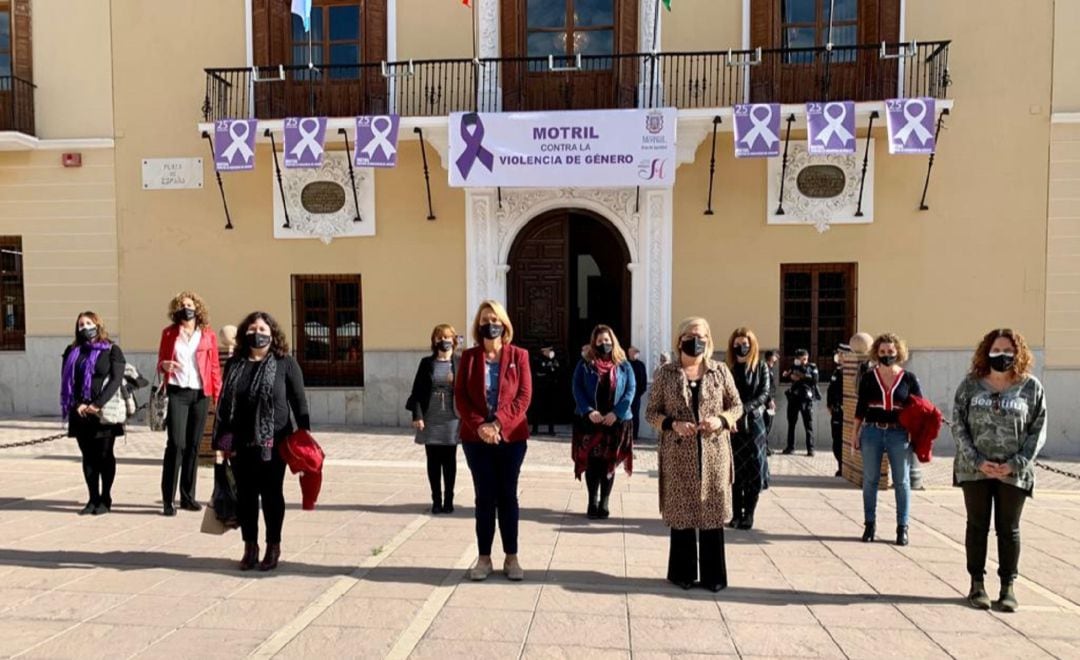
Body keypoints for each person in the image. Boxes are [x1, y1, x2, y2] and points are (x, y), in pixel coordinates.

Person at [953, 329, 1046, 613]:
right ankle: (977, 584)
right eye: (996, 350)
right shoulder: (970, 385)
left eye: (1008, 351)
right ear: (986, 351)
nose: (1002, 355)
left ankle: (1008, 587)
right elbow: (958, 425)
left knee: (1009, 529)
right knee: (977, 526)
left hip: (1013, 473)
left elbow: (1038, 429)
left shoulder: (1030, 387)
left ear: (1018, 354)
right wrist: (977, 460)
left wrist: (1015, 463)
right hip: (975, 470)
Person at [646, 317, 743, 591]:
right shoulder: (666, 373)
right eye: (690, 335)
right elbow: (651, 412)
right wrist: (673, 424)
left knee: (712, 513)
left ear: (709, 340)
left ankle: (714, 577)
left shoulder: (720, 371)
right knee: (682, 514)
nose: (696, 340)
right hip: (678, 454)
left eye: (701, 335)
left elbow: (736, 405)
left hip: (714, 454)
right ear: (680, 340)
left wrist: (722, 420)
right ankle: (682, 573)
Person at [213, 311, 310, 572]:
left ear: (272, 334)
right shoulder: (235, 364)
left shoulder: (285, 363)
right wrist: (223, 443)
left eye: (263, 329)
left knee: (271, 495)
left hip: (274, 443)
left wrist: (304, 435)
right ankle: (250, 546)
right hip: (241, 442)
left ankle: (273, 546)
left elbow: (299, 402)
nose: (258, 333)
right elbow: (225, 405)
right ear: (245, 333)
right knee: (245, 497)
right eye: (253, 329)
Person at [455, 300, 532, 582]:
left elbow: (523, 397)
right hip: (476, 440)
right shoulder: (469, 357)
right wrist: (481, 427)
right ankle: (484, 557)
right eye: (486, 319)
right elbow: (461, 397)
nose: (491, 324)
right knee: (484, 496)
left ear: (505, 324)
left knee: (507, 496)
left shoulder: (519, 356)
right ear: (479, 325)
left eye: (496, 319)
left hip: (511, 438)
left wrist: (498, 423)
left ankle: (511, 557)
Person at [853, 333, 922, 546]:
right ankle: (869, 525)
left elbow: (919, 408)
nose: (886, 355)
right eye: (882, 352)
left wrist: (916, 432)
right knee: (870, 480)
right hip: (872, 431)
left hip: (898, 433)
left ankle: (902, 528)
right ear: (876, 353)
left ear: (898, 352)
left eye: (890, 351)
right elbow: (860, 408)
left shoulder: (908, 378)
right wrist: (855, 434)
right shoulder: (868, 377)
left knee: (901, 481)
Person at [157, 291, 222, 516]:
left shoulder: (208, 335)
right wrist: (164, 366)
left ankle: (188, 496)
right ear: (177, 310)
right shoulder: (169, 333)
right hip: (177, 392)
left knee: (193, 446)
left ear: (197, 308)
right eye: (183, 305)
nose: (187, 308)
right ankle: (168, 499)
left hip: (200, 393)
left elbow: (213, 366)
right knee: (176, 444)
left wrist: (217, 395)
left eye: (190, 304)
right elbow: (161, 361)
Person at [60, 312, 125, 515]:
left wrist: (97, 404)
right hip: (80, 413)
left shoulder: (112, 350)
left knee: (105, 456)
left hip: (104, 413)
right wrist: (78, 404)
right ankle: (92, 498)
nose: (85, 327)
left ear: (98, 325)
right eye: (81, 324)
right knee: (88, 456)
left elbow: (115, 380)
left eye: (89, 323)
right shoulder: (72, 351)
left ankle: (105, 498)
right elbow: (67, 381)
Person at [571, 325, 635, 519]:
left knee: (609, 463)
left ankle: (605, 501)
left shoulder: (624, 364)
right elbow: (577, 388)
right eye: (600, 341)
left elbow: (630, 390)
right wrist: (588, 411)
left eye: (607, 340)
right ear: (594, 343)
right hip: (590, 422)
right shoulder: (585, 364)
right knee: (592, 464)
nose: (604, 344)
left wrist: (617, 413)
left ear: (612, 341)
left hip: (615, 423)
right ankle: (592, 500)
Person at [406, 324, 461, 514]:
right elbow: (417, 392)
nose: (443, 341)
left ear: (453, 340)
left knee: (450, 460)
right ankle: (436, 500)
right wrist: (417, 415)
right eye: (439, 338)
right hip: (431, 416)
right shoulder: (426, 363)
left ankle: (449, 500)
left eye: (446, 337)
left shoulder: (460, 362)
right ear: (434, 341)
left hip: (452, 417)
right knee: (433, 460)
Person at [726, 328, 769, 530]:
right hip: (733, 425)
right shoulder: (729, 368)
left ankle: (749, 515)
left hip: (754, 422)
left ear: (751, 345)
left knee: (753, 470)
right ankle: (735, 514)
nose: (741, 347)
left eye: (745, 344)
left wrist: (744, 408)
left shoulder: (761, 367)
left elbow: (764, 394)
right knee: (735, 471)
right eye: (737, 344)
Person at [783, 349, 819, 455]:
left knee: (808, 424)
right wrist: (789, 375)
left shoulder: (812, 367)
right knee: (791, 424)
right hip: (794, 398)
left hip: (805, 400)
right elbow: (785, 377)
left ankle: (810, 449)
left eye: (804, 359)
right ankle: (790, 447)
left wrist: (800, 376)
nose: (802, 361)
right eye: (799, 359)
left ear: (807, 358)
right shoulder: (793, 367)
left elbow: (815, 380)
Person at [531, 346, 559, 436]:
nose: (551, 352)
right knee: (537, 409)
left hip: (550, 388)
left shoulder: (553, 360)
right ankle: (535, 429)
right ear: (543, 351)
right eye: (549, 350)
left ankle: (551, 430)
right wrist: (547, 371)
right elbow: (537, 372)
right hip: (539, 388)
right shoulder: (537, 359)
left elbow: (557, 370)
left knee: (551, 409)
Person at [826, 347, 846, 477]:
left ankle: (844, 468)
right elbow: (831, 390)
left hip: (845, 411)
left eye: (840, 354)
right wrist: (829, 405)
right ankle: (841, 467)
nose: (837, 357)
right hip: (837, 411)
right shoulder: (837, 371)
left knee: (843, 441)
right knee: (837, 440)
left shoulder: (850, 371)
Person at [627, 346, 648, 440]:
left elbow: (644, 379)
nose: (636, 353)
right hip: (626, 395)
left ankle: (634, 435)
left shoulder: (641, 365)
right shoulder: (626, 364)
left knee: (635, 415)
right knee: (626, 415)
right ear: (629, 353)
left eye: (637, 352)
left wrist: (639, 392)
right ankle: (626, 435)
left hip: (636, 395)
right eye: (634, 352)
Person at [763, 351, 780, 453]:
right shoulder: (765, 368)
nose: (777, 358)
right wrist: (770, 400)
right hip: (766, 402)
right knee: (767, 424)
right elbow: (766, 387)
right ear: (770, 357)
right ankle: (764, 447)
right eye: (775, 356)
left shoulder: (770, 368)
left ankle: (766, 447)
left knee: (769, 424)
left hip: (770, 400)